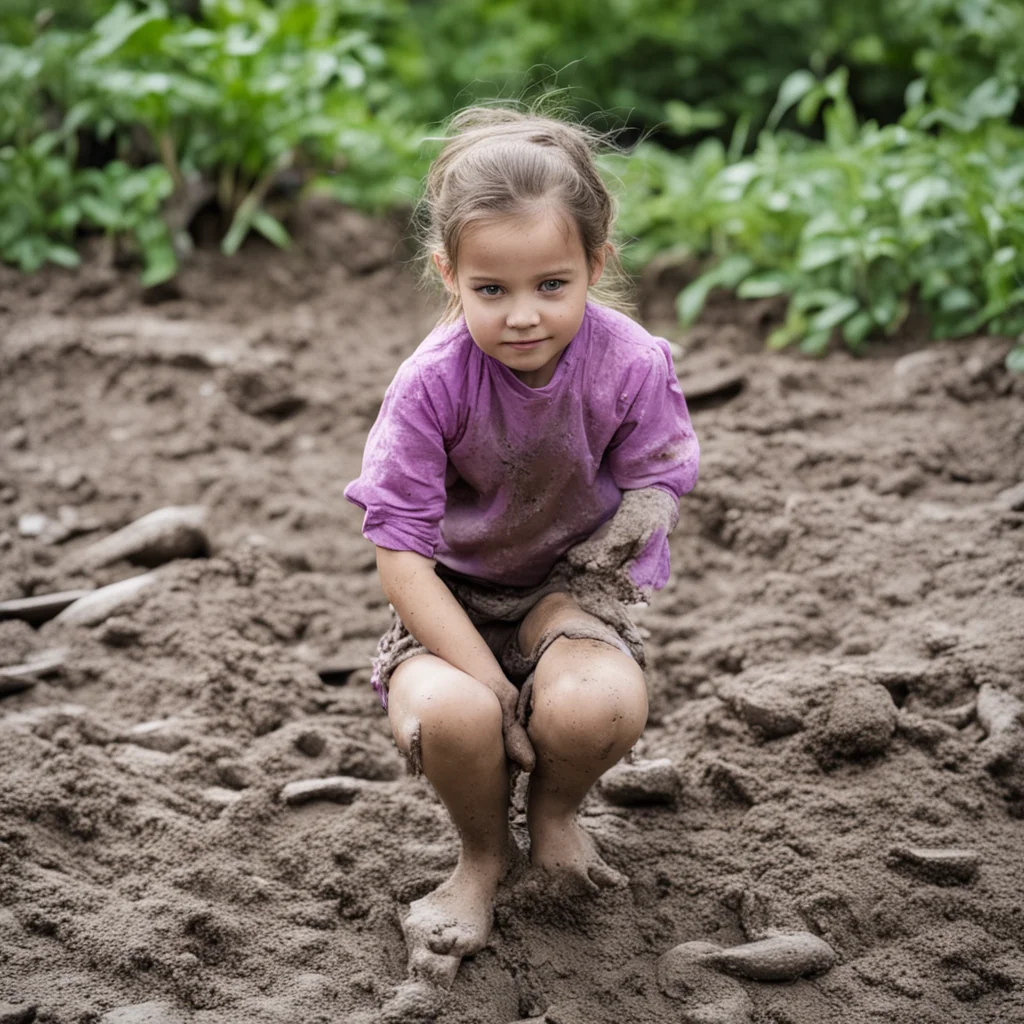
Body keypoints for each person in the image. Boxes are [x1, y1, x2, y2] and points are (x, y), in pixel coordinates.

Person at [343, 105, 699, 988]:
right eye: (490, 290)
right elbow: (400, 554)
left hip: (567, 590)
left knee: (600, 708)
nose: (524, 316)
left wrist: (599, 568)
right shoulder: (432, 386)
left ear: (596, 264)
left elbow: (659, 477)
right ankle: (478, 856)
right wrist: (495, 683)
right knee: (457, 717)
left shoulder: (631, 362)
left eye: (552, 284)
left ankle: (555, 816)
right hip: (450, 604)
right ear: (449, 275)